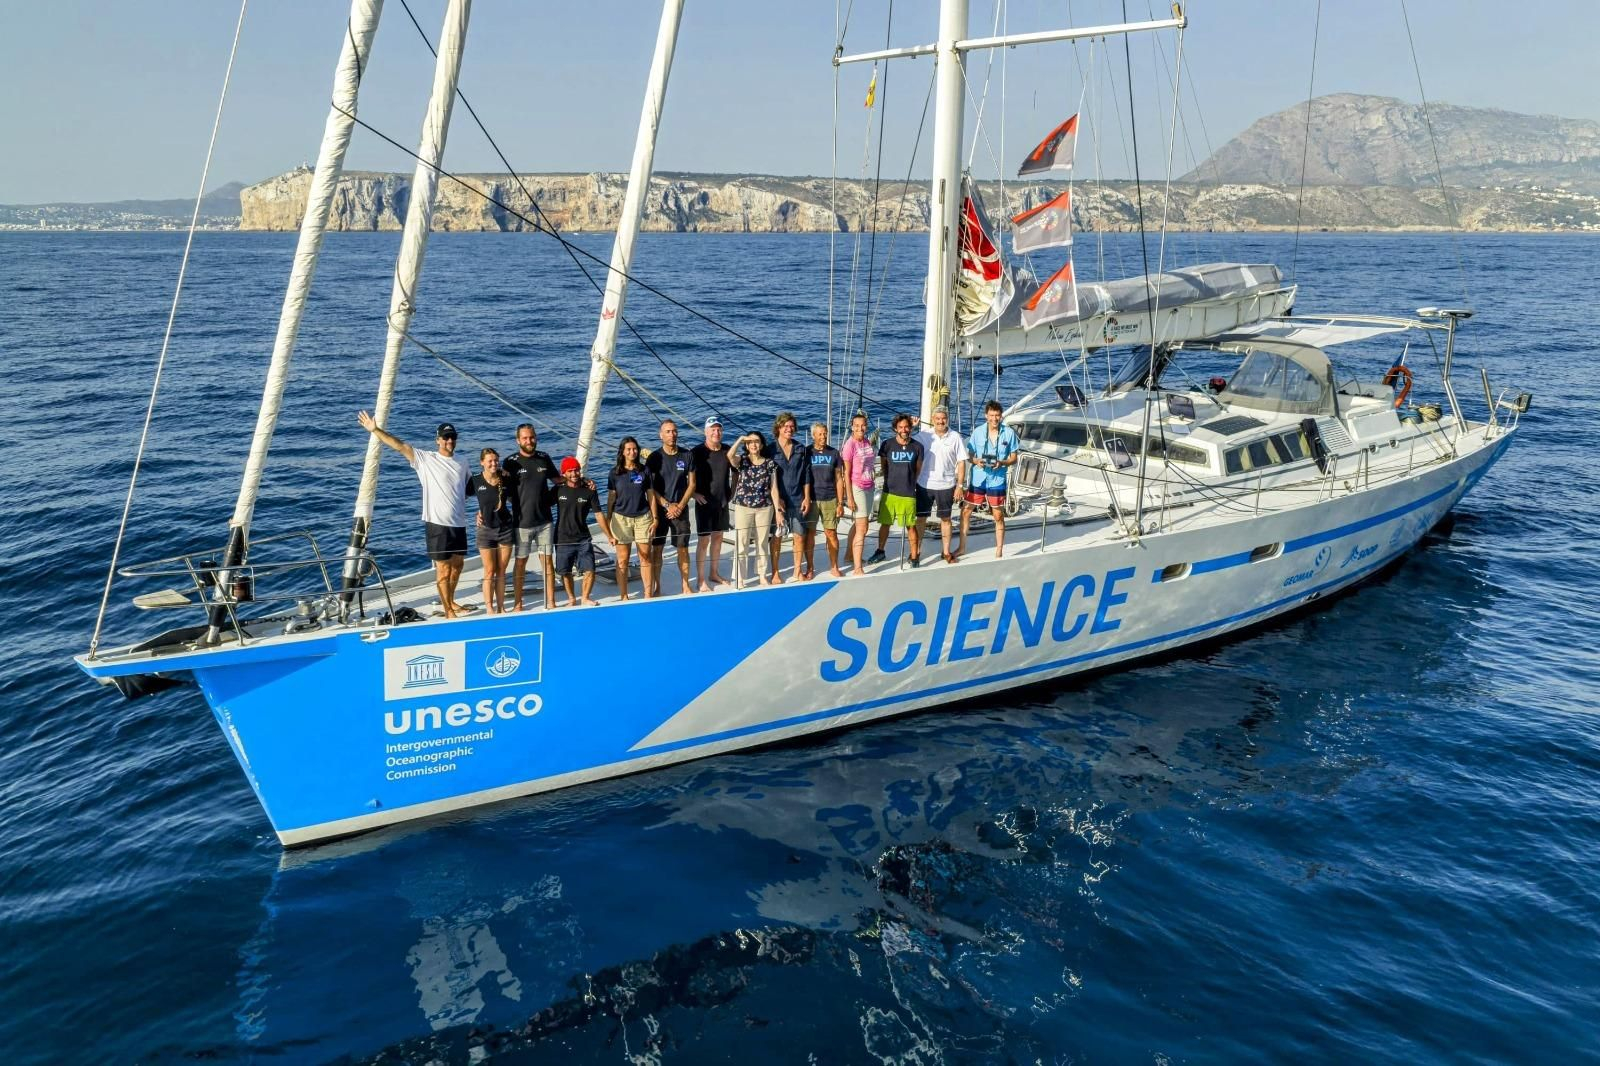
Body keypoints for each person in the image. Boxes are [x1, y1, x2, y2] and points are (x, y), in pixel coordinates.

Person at [357, 412, 472, 619]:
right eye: (445, 437)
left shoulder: (462, 462)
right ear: (437, 440)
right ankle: (448, 611)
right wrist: (375, 430)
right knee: (443, 570)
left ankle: (452, 601)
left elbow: (470, 489)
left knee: (458, 566)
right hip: (437, 524)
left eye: (452, 437)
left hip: (459, 523)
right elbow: (400, 446)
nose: (449, 441)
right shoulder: (426, 459)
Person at [501, 423, 559, 611]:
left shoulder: (544, 458)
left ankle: (550, 601)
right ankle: (518, 604)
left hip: (545, 522)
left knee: (547, 562)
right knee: (520, 564)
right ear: (518, 440)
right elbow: (503, 491)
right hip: (522, 523)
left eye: (532, 437)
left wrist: (583, 482)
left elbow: (558, 481)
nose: (529, 441)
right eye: (525, 438)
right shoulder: (510, 462)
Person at [552, 456, 615, 606]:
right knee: (564, 571)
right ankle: (572, 598)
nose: (574, 474)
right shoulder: (558, 490)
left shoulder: (589, 490)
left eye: (576, 470)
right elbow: (540, 504)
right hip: (562, 538)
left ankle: (585, 597)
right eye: (570, 471)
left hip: (583, 538)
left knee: (590, 569)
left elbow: (599, 514)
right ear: (564, 473)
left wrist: (609, 535)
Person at [963, 399, 1022, 558]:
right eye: (991, 415)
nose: (994, 419)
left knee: (997, 515)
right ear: (986, 416)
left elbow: (1014, 458)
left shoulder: (1009, 433)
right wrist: (976, 461)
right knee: (966, 511)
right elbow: (969, 455)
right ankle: (962, 547)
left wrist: (1002, 462)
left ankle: (999, 550)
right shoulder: (978, 432)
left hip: (997, 479)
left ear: (1001, 416)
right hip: (979, 478)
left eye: (997, 415)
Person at [645, 418, 697, 596]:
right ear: (661, 435)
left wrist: (680, 505)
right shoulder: (654, 458)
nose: (672, 434)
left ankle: (685, 585)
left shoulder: (687, 455)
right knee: (657, 548)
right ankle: (657, 586)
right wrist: (667, 505)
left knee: (683, 548)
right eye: (668, 431)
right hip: (660, 511)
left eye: (674, 431)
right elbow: (650, 488)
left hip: (681, 510)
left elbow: (692, 484)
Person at [912, 407, 967, 564]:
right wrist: (914, 427)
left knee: (946, 519)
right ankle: (916, 551)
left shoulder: (955, 437)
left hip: (947, 485)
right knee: (921, 519)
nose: (941, 421)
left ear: (947, 419)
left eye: (943, 418)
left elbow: (962, 462)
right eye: (938, 418)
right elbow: (906, 442)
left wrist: (960, 485)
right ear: (932, 419)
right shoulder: (924, 436)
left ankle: (946, 552)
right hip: (924, 484)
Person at [605, 436, 657, 600]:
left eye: (634, 449)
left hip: (643, 517)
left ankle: (648, 594)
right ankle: (624, 595)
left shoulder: (644, 470)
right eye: (628, 449)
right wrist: (609, 519)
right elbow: (611, 498)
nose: (632, 452)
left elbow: (651, 495)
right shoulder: (614, 473)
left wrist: (655, 518)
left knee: (645, 556)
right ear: (623, 451)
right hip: (621, 518)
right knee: (623, 559)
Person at [869, 414, 925, 566]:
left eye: (906, 427)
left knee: (911, 526)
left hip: (908, 493)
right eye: (900, 427)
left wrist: (910, 481)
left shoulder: (917, 447)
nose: (904, 430)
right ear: (895, 429)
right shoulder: (887, 445)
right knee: (885, 523)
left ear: (910, 428)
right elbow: (884, 466)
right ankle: (880, 551)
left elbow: (918, 469)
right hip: (889, 492)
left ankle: (914, 557)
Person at [727, 429, 779, 587]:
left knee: (762, 542)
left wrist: (778, 511)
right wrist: (741, 438)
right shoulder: (742, 461)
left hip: (764, 507)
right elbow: (729, 456)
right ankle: (740, 577)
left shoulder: (770, 463)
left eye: (756, 441)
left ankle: (762, 574)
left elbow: (774, 488)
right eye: (750, 442)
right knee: (741, 542)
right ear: (746, 445)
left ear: (762, 444)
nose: (754, 444)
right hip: (744, 506)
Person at [767, 412, 813, 582]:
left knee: (799, 536)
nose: (789, 429)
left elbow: (806, 476)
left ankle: (797, 570)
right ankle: (775, 572)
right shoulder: (770, 450)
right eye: (786, 426)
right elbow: (767, 477)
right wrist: (776, 500)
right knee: (777, 536)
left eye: (792, 426)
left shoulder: (801, 449)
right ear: (778, 428)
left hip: (797, 498)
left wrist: (807, 497)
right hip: (778, 501)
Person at [690, 416, 733, 592]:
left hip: (722, 502)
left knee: (718, 538)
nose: (716, 432)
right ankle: (701, 579)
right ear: (706, 432)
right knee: (703, 541)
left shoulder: (727, 450)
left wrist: (733, 492)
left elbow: (737, 470)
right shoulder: (696, 452)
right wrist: (693, 494)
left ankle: (713, 573)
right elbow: (684, 477)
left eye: (719, 429)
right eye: (712, 429)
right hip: (704, 502)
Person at [470, 448, 514, 613]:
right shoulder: (475, 480)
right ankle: (489, 607)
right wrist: (478, 512)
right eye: (490, 461)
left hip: (505, 528)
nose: (493, 463)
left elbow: (518, 494)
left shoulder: (505, 478)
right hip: (485, 530)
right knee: (489, 570)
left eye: (496, 460)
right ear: (482, 462)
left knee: (501, 570)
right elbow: (460, 495)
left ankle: (501, 607)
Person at [803, 421, 846, 578]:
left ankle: (834, 566)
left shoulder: (833, 453)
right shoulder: (807, 452)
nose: (823, 436)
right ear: (813, 435)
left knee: (831, 533)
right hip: (812, 499)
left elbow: (839, 478)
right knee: (810, 534)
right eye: (820, 434)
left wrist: (840, 503)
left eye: (825, 433)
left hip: (830, 499)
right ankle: (810, 567)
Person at [839, 413, 876, 576]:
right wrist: (850, 498)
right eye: (857, 425)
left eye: (863, 425)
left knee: (860, 524)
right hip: (857, 487)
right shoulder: (850, 445)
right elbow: (845, 473)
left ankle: (849, 554)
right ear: (852, 427)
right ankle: (857, 568)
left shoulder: (867, 441)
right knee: (863, 527)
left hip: (869, 485)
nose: (860, 428)